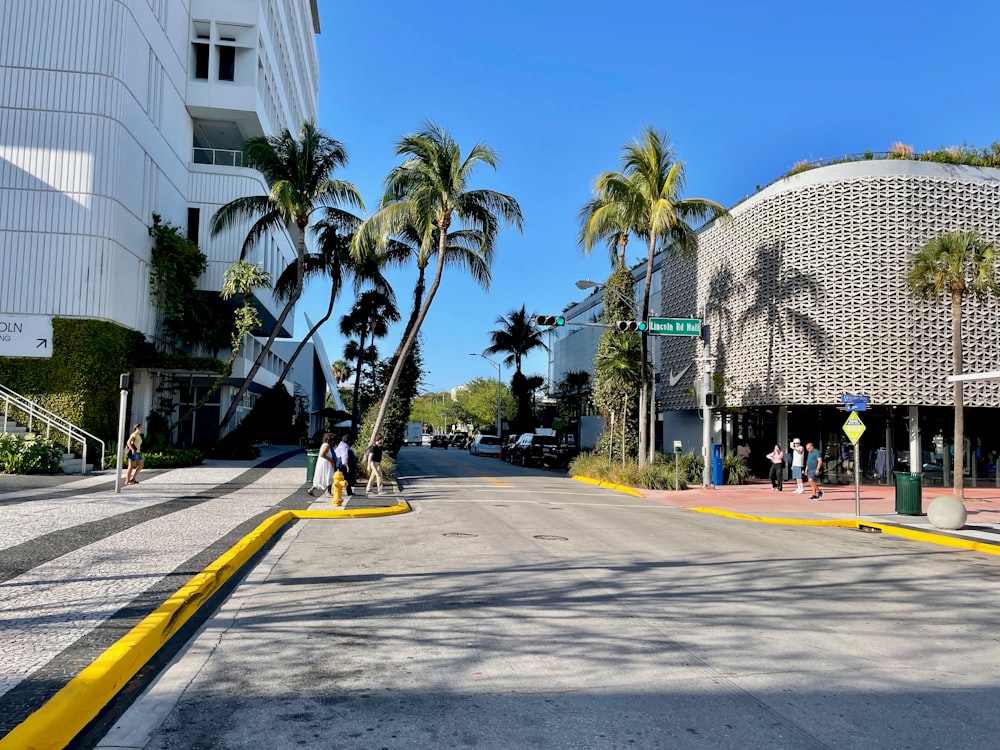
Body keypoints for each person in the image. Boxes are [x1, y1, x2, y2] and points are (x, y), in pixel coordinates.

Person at [308, 432, 336, 497]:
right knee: (329, 476)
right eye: (332, 440)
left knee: (322, 477)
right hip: (326, 463)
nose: (333, 441)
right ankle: (328, 492)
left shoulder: (324, 445)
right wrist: (331, 460)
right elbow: (322, 454)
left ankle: (312, 489)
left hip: (325, 462)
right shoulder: (326, 446)